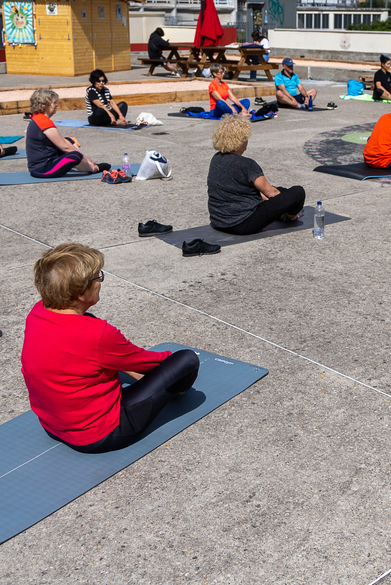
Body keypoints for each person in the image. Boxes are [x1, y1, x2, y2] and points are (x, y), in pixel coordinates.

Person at [21, 243, 200, 453]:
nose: (100, 283)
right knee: (186, 360)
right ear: (80, 292)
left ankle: (115, 363)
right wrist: (170, 367)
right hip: (101, 436)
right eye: (98, 278)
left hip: (52, 426)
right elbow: (153, 362)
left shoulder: (37, 313)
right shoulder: (97, 334)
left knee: (95, 340)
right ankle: (172, 387)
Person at [207, 115, 306, 235]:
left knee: (283, 191)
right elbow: (271, 193)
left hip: (219, 221)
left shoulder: (216, 158)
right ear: (241, 140)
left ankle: (285, 209)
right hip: (243, 223)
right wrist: (286, 205)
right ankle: (290, 216)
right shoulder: (246, 164)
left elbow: (238, 188)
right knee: (297, 193)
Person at [25, 88, 113, 179]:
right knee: (75, 155)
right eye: (54, 102)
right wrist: (87, 160)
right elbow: (65, 147)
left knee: (69, 140)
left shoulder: (38, 118)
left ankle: (88, 164)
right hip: (42, 169)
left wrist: (87, 159)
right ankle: (93, 168)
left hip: (47, 163)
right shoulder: (43, 121)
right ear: (45, 104)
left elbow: (64, 141)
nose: (57, 105)